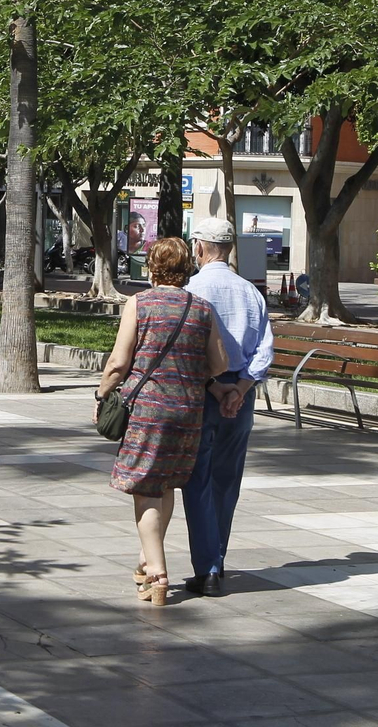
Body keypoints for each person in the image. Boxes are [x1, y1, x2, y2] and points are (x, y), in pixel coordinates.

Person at [95, 237, 228, 607]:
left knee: (145, 488)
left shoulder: (139, 303)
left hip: (149, 412)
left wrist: (102, 394)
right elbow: (220, 364)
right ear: (188, 267)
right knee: (166, 483)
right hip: (188, 410)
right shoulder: (201, 308)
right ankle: (146, 557)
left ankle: (158, 572)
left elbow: (118, 363)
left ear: (152, 267)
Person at [182, 218, 274, 597]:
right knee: (226, 481)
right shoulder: (250, 292)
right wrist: (239, 389)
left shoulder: (192, 290)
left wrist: (216, 388)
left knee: (197, 479)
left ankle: (207, 567)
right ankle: (216, 561)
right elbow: (263, 349)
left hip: (204, 393)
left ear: (199, 248)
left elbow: (189, 350)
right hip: (242, 392)